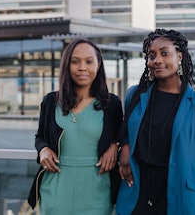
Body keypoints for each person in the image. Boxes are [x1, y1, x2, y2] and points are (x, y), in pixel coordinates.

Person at [116, 29, 195, 214]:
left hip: (180, 198)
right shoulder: (134, 95)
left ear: (179, 56)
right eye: (152, 55)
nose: (157, 60)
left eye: (164, 53)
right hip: (138, 193)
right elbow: (125, 128)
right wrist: (124, 146)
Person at [27, 38, 123, 214]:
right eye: (75, 61)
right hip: (55, 187)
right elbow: (40, 137)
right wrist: (43, 150)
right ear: (66, 65)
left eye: (89, 61)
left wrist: (114, 145)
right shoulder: (50, 101)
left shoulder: (112, 104)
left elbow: (123, 136)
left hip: (97, 189)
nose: (82, 67)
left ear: (99, 64)